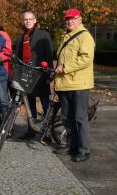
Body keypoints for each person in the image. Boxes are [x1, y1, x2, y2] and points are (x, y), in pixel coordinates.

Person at [53, 8, 95, 162]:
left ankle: (84, 150)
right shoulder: (66, 36)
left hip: (79, 84)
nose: (69, 21)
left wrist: (65, 68)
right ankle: (72, 146)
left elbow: (86, 58)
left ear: (80, 19)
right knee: (67, 118)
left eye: (72, 18)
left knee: (80, 118)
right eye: (67, 19)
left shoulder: (85, 37)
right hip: (65, 85)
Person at [15, 11, 53, 140]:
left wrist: (49, 74)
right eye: (25, 19)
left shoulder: (43, 35)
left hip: (41, 74)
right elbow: (19, 58)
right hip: (27, 76)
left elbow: (49, 54)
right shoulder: (21, 38)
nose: (28, 21)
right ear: (23, 21)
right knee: (29, 103)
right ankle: (31, 129)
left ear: (35, 20)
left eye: (30, 19)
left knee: (45, 104)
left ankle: (47, 131)